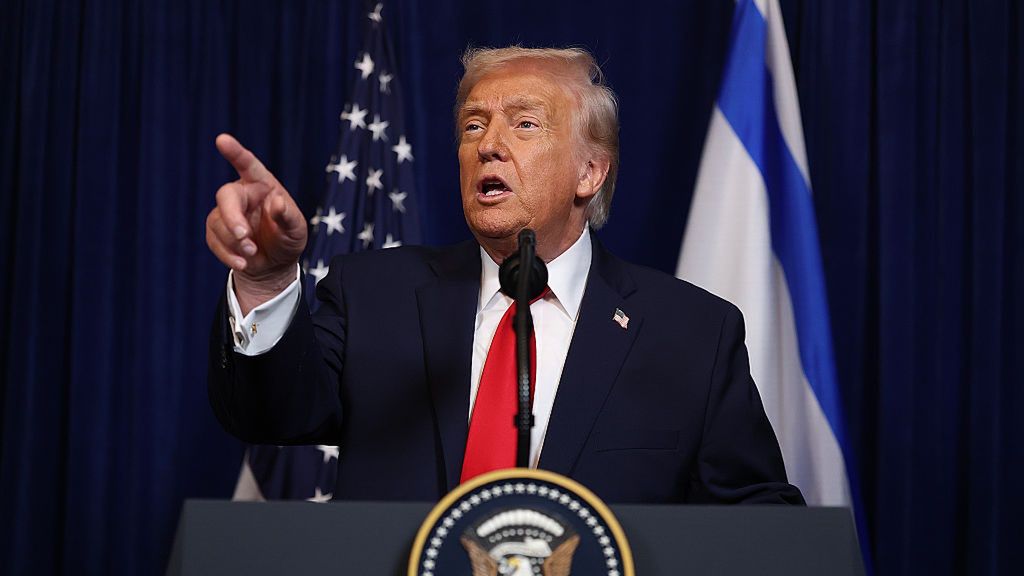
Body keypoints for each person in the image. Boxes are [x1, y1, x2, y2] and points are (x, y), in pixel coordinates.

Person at [206, 46, 804, 505]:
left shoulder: (691, 333)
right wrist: (268, 280)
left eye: (524, 125)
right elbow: (269, 416)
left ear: (590, 172)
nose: (488, 145)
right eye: (472, 126)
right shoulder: (372, 295)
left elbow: (758, 519)